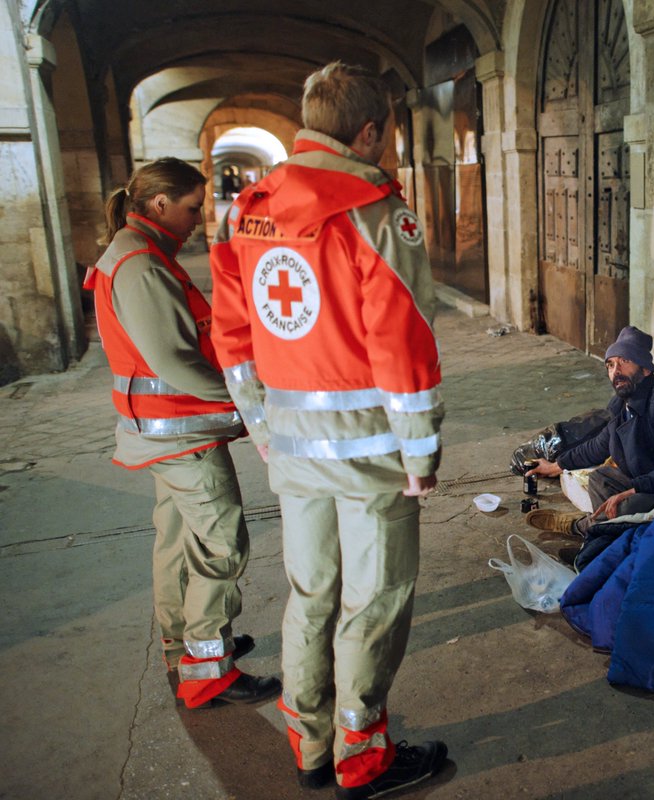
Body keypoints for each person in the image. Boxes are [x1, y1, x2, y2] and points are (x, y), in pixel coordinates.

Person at [209, 62, 447, 799]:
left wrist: (264, 431)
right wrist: (422, 453)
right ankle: (361, 756)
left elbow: (233, 337)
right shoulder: (373, 210)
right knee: (373, 605)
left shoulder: (248, 209)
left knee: (310, 595)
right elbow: (400, 343)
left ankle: (309, 745)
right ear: (369, 131)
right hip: (373, 454)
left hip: (291, 450)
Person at [85, 158, 281, 710]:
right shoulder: (142, 264)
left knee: (176, 544)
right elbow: (172, 359)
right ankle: (208, 669)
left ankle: (183, 649)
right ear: (159, 203)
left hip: (162, 431)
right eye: (193, 207)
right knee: (222, 545)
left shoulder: (135, 254)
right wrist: (243, 396)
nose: (199, 218)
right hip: (180, 434)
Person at [524, 326, 654, 562]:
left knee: (627, 506)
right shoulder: (622, 405)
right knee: (599, 479)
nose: (616, 371)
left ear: (644, 369)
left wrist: (636, 488)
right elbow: (599, 445)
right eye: (610, 365)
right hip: (653, 476)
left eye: (624, 361)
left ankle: (586, 533)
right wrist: (556, 465)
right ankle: (604, 532)